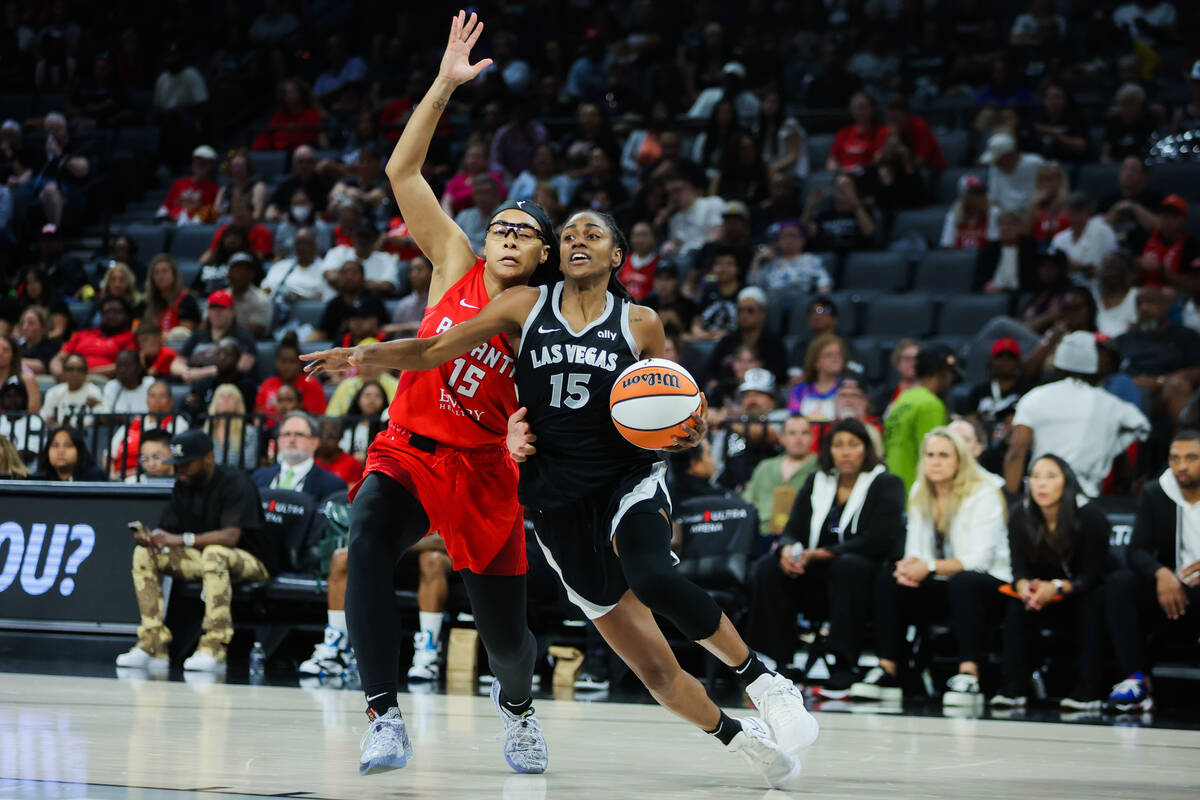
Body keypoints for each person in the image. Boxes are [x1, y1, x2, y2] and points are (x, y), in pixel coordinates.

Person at [308, 200, 816, 789]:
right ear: (558, 254)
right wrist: (365, 355)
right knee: (655, 670)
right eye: (570, 232)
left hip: (627, 481)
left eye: (592, 233)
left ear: (616, 254)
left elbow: (675, 402)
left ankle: (765, 683)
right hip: (555, 500)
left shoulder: (641, 321)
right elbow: (432, 351)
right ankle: (736, 738)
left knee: (650, 575)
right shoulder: (524, 306)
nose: (579, 238)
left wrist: (688, 426)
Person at [302, 13, 556, 776]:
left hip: (482, 472)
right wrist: (443, 86)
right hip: (409, 449)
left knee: (507, 639)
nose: (506, 235)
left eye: (523, 232)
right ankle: (383, 714)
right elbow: (402, 175)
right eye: (501, 226)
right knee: (366, 540)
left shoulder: (544, 322)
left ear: (544, 255)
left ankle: (517, 709)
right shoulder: (454, 257)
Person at [851, 427, 1011, 705]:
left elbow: (979, 560)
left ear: (960, 460)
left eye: (944, 455)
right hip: (942, 582)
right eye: (930, 455)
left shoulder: (985, 492)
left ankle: (969, 674)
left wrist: (929, 566)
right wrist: (908, 567)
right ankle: (888, 671)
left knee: (966, 581)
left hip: (990, 583)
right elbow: (916, 550)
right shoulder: (920, 490)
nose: (935, 462)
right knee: (890, 578)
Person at [747, 419, 906, 694]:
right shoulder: (817, 480)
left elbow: (880, 539)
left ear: (866, 449)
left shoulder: (886, 482)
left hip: (863, 571)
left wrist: (824, 553)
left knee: (848, 566)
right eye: (838, 445)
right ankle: (778, 661)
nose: (845, 452)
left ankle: (844, 663)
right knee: (769, 567)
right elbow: (793, 528)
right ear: (829, 450)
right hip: (815, 571)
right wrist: (787, 549)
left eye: (853, 445)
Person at [115, 430, 270, 672]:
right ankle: (153, 642)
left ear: (208, 458)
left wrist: (180, 539)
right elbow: (169, 530)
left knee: (214, 553)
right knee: (146, 555)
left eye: (186, 463)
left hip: (251, 562)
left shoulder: (235, 482)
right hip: (205, 560)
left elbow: (231, 536)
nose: (180, 470)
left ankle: (214, 646)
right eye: (177, 464)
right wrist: (153, 538)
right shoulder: (183, 485)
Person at [991, 455, 1110, 709]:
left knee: (1092, 602)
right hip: (1042, 592)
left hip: (1083, 590)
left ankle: (1088, 693)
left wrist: (1056, 587)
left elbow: (1092, 575)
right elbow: (1019, 567)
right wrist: (1025, 587)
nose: (1041, 484)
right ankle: (1013, 691)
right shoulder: (1020, 514)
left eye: (1050, 477)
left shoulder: (1089, 515)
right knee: (1017, 606)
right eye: (1035, 477)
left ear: (1066, 482)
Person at [1104, 429, 1200, 712]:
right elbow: (1136, 551)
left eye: (1191, 458)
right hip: (1174, 583)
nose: (1181, 466)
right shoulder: (1157, 492)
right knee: (1120, 584)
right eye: (1175, 458)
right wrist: (1161, 573)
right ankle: (1135, 680)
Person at [1006, 331, 1150, 497]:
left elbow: (1016, 453)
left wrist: (1010, 502)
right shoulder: (1111, 404)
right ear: (1093, 363)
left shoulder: (1033, 397)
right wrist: (1111, 443)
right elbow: (1142, 429)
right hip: (1087, 498)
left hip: (1040, 495)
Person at [883, 343, 960, 493]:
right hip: (917, 492)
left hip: (893, 490)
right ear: (942, 374)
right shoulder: (931, 404)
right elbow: (934, 457)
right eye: (950, 377)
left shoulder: (902, 400)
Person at [742, 415, 819, 537]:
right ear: (782, 438)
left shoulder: (820, 467)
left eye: (804, 433)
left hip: (802, 535)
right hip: (761, 534)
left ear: (813, 438)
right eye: (792, 433)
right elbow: (748, 502)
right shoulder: (765, 467)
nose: (798, 439)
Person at [252, 411, 347, 502]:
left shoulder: (333, 485)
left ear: (314, 443)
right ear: (279, 441)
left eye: (299, 434)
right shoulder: (258, 477)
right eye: (286, 434)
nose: (291, 440)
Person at [170, 290, 257, 384]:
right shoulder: (198, 335)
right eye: (213, 308)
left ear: (232, 311)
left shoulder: (242, 336)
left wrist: (201, 373)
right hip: (196, 386)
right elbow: (176, 364)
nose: (217, 313)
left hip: (227, 385)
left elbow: (243, 366)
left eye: (222, 308)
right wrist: (185, 372)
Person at [50, 296, 136, 378]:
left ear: (126, 316)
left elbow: (127, 366)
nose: (110, 316)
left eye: (116, 311)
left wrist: (81, 374)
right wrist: (60, 374)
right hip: (71, 381)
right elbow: (58, 358)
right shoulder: (82, 334)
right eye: (106, 312)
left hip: (106, 382)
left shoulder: (129, 337)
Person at [255, 333, 328, 418]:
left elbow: (317, 417)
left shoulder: (311, 383)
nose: (287, 366)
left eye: (292, 361)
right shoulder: (268, 384)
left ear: (300, 364)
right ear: (276, 363)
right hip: (269, 430)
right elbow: (258, 416)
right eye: (283, 361)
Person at [980, 132, 1044, 214]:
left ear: (1010, 154)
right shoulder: (995, 168)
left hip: (1034, 212)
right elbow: (993, 199)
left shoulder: (1035, 163)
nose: (996, 164)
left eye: (999, 160)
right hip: (1005, 217)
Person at [788, 334, 848, 421]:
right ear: (816, 362)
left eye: (839, 354)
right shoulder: (800, 390)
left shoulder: (848, 389)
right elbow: (793, 419)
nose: (836, 358)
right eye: (829, 355)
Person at [204, 383, 260, 470]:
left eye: (230, 396)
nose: (226, 399)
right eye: (222, 396)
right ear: (215, 402)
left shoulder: (248, 432)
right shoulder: (205, 432)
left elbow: (250, 463)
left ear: (238, 402)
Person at [41, 353, 107, 426]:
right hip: (55, 433)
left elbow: (92, 422)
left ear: (86, 373)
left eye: (80, 370)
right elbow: (44, 418)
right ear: (64, 372)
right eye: (70, 369)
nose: (75, 374)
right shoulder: (54, 392)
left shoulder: (93, 391)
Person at [158, 145, 219, 223]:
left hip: (194, 228)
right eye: (198, 161)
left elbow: (212, 213)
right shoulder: (179, 183)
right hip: (171, 224)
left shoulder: (214, 189)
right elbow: (166, 206)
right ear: (193, 163)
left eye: (205, 162)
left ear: (211, 166)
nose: (200, 165)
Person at [145, 254, 201, 335]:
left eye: (165, 271)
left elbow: (184, 335)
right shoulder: (150, 302)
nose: (160, 276)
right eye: (156, 273)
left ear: (174, 275)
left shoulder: (186, 300)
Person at [34, 425, 107, 481]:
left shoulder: (95, 477)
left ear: (79, 450)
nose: (60, 451)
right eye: (55, 445)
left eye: (68, 445)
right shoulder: (39, 479)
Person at [1095, 253, 1140, 339]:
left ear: (1124, 271)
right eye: (1105, 268)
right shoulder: (1095, 300)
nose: (1109, 273)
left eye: (1113, 267)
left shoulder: (1136, 296)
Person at [314, 416, 363, 486]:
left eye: (330, 436)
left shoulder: (353, 464)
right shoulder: (311, 462)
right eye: (320, 435)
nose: (324, 440)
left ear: (340, 437)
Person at [101, 349, 153, 414]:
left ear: (139, 367)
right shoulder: (112, 386)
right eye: (119, 366)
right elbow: (107, 417)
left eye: (127, 365)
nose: (122, 370)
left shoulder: (150, 384)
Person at [0, 335, 40, 414]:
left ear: (13, 355)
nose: (0, 353)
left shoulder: (27, 380)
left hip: (18, 424)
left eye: (6, 350)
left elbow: (33, 413)